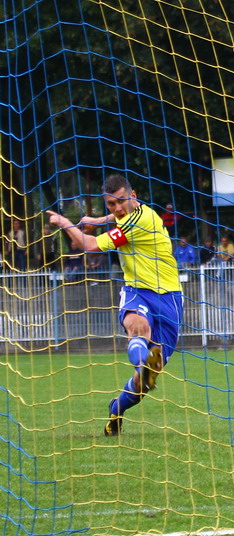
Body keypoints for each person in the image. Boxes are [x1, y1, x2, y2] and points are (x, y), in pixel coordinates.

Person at [46, 174, 183, 436]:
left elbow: (90, 246)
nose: (116, 208)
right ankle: (142, 364)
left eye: (120, 201)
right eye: (110, 204)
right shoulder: (135, 210)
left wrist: (65, 222)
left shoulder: (140, 221)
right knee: (137, 325)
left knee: (148, 380)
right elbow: (119, 217)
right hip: (137, 291)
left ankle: (117, 407)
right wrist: (99, 220)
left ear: (132, 195)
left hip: (169, 298)